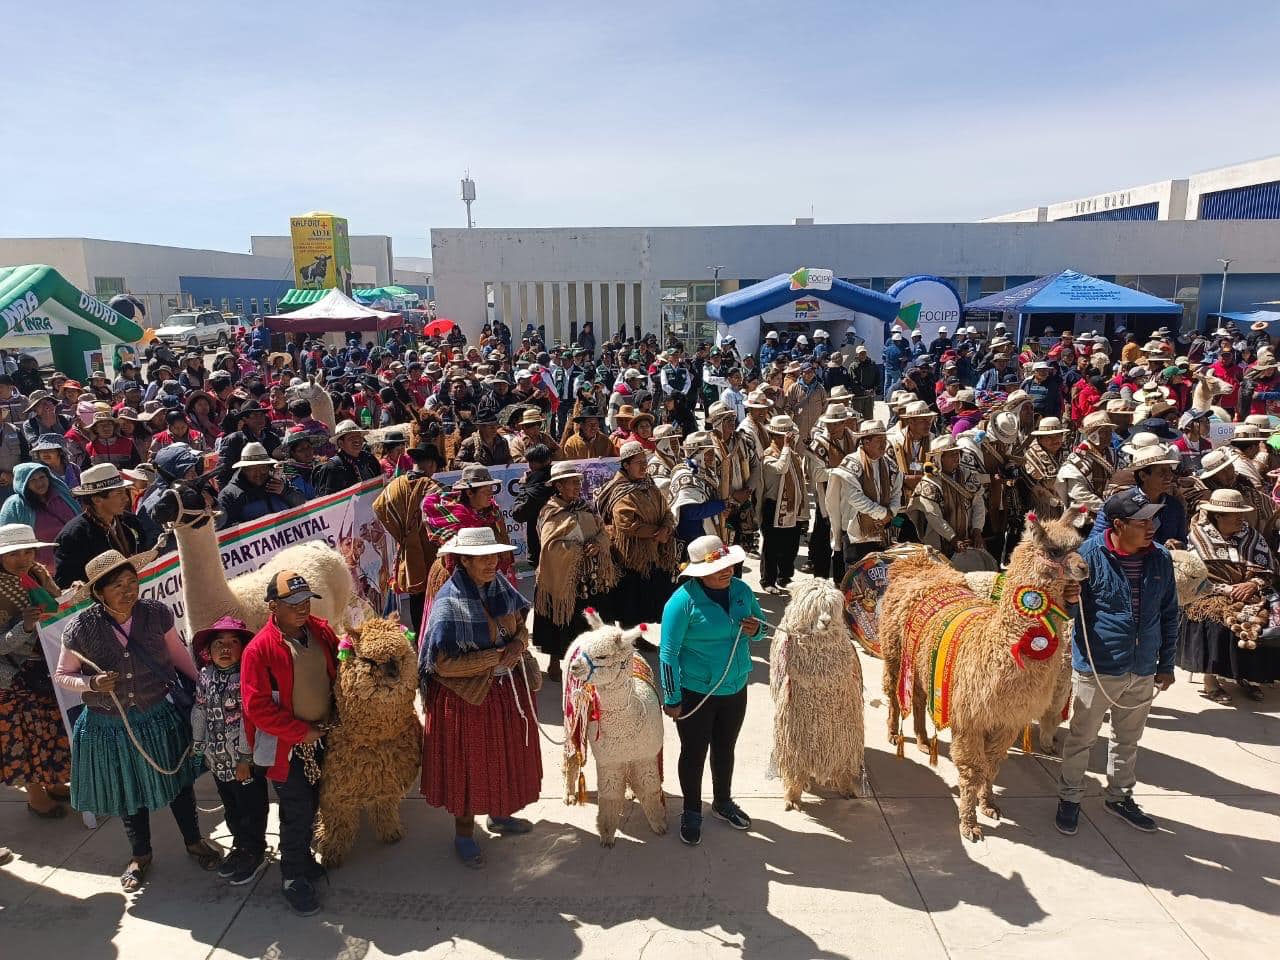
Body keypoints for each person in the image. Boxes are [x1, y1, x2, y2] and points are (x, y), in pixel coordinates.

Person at [54, 550, 221, 890]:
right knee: (129, 792)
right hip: (110, 725)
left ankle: (193, 841)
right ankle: (140, 855)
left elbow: (177, 656)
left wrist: (204, 690)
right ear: (100, 593)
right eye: (118, 585)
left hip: (157, 716)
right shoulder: (80, 629)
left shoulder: (156, 614)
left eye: (133, 581)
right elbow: (63, 675)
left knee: (178, 784)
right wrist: (91, 683)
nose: (129, 590)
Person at [1055, 488, 1177, 838]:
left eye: (1152, 519)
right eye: (1142, 522)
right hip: (1099, 666)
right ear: (1119, 525)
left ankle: (1120, 796)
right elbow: (1068, 614)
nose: (1151, 526)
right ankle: (1070, 797)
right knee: (1082, 738)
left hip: (1141, 667)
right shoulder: (1088, 557)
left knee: (1128, 739)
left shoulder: (1160, 558)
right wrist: (1070, 599)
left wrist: (1165, 663)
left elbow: (1169, 614)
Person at [418, 527, 541, 868]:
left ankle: (500, 815)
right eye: (481, 558)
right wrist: (494, 657)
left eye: (493, 556)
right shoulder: (449, 603)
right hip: (466, 700)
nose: (490, 563)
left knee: (503, 758)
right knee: (469, 767)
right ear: (465, 562)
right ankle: (464, 833)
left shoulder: (501, 587)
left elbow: (520, 628)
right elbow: (442, 665)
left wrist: (517, 645)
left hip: (503, 693)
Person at [242, 571, 338, 916]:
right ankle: (292, 876)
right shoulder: (259, 650)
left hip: (320, 738)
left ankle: (303, 859)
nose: (302, 608)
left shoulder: (320, 631)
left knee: (313, 803)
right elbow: (257, 707)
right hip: (288, 747)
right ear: (273, 606)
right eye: (293, 603)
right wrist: (300, 732)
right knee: (296, 810)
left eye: (306, 600)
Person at [660, 535, 765, 847]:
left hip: (735, 688)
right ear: (698, 572)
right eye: (718, 567)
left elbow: (761, 628)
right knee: (693, 753)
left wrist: (756, 629)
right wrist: (671, 697)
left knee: (725, 748)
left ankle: (722, 802)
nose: (727, 571)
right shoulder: (682, 602)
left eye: (728, 565)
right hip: (696, 693)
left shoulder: (743, 592)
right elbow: (668, 654)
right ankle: (691, 811)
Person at [1177, 488, 1280, 703]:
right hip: (1209, 594)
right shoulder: (1198, 537)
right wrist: (1229, 590)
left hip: (1251, 592)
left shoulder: (1251, 535)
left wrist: (1253, 583)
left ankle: (1250, 676)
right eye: (1236, 515)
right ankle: (1210, 681)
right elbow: (1195, 578)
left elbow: (1266, 569)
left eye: (1242, 514)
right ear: (1218, 516)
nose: (1241, 518)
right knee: (1215, 620)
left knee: (1267, 618)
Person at [191, 615, 269, 885]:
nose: (225, 649)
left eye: (233, 642)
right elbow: (200, 709)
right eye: (218, 643)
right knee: (232, 807)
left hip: (242, 759)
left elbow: (250, 718)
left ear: (244, 648)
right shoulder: (205, 676)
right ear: (208, 651)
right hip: (219, 760)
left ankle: (255, 850)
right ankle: (240, 846)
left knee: (251, 805)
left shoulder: (246, 678)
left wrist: (246, 757)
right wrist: (198, 745)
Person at [0, 524, 71, 818]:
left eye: (28, 550)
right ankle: (35, 795)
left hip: (45, 668)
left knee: (50, 729)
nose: (23, 558)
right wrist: (24, 627)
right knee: (26, 738)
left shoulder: (38, 574)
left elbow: (58, 607)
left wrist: (70, 597)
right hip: (12, 678)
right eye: (13, 553)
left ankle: (53, 780)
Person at [533, 461, 618, 679]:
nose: (577, 486)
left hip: (591, 577)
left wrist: (598, 544)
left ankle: (593, 660)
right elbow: (550, 546)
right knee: (560, 619)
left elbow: (602, 531)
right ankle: (555, 662)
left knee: (592, 620)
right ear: (558, 486)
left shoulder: (586, 507)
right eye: (572, 482)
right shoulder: (550, 513)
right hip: (562, 579)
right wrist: (578, 551)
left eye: (578, 481)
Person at [596, 440, 679, 629]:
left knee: (651, 594)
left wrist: (665, 529)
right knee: (633, 598)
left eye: (645, 461)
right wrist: (657, 533)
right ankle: (632, 637)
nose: (644, 466)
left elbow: (666, 510)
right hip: (632, 556)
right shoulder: (619, 491)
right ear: (626, 465)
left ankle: (643, 633)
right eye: (638, 463)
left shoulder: (649, 484)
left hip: (656, 549)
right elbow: (626, 523)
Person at [372, 444, 446, 634]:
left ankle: (420, 637)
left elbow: (379, 507)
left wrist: (402, 535)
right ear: (430, 464)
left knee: (416, 597)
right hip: (432, 553)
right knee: (436, 594)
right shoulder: (434, 489)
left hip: (409, 553)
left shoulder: (394, 486)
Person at [54, 464, 152, 589]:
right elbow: (66, 581)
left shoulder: (130, 522)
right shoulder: (74, 536)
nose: (126, 498)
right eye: (119, 493)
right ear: (97, 500)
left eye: (125, 492)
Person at [826, 419, 903, 566]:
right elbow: (854, 497)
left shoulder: (889, 464)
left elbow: (896, 492)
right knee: (855, 576)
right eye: (879, 440)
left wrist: (891, 512)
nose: (884, 444)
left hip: (881, 531)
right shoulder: (851, 463)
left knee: (879, 576)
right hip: (856, 531)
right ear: (866, 442)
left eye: (885, 439)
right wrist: (882, 513)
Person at [909, 435, 986, 557]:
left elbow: (978, 503)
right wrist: (952, 538)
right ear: (940, 458)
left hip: (966, 538)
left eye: (957, 453)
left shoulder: (967, 475)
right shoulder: (929, 483)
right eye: (951, 455)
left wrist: (977, 529)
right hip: (939, 542)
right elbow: (934, 516)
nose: (957, 457)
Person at [0, 463, 82, 577]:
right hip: (39, 575)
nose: (39, 483)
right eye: (32, 480)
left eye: (42, 477)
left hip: (76, 565)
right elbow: (7, 543)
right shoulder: (14, 506)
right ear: (23, 483)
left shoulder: (63, 496)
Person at [759, 415, 808, 594]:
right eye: (787, 437)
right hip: (774, 505)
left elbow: (799, 482)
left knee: (791, 544)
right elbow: (782, 468)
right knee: (771, 546)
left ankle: (784, 576)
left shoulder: (791, 454)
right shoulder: (768, 456)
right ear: (777, 437)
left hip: (790, 505)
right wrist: (787, 447)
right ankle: (768, 580)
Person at [217, 442, 306, 529]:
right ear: (243, 470)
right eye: (253, 469)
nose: (259, 473)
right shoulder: (230, 495)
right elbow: (226, 530)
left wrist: (285, 491)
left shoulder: (278, 481)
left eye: (263, 467)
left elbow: (302, 504)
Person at [668, 432, 727, 550]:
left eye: (712, 452)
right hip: (691, 538)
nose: (712, 457)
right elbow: (692, 512)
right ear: (697, 455)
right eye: (708, 453)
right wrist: (721, 506)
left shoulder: (705, 472)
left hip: (704, 533)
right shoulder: (685, 475)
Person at [511, 445, 555, 567]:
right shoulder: (559, 481)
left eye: (531, 462)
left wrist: (524, 487)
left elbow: (519, 514)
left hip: (542, 545)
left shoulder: (534, 488)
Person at [313, 420, 383, 496]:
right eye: (351, 438)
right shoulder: (333, 468)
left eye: (359, 436)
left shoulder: (369, 459)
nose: (357, 440)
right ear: (341, 443)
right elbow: (328, 500)